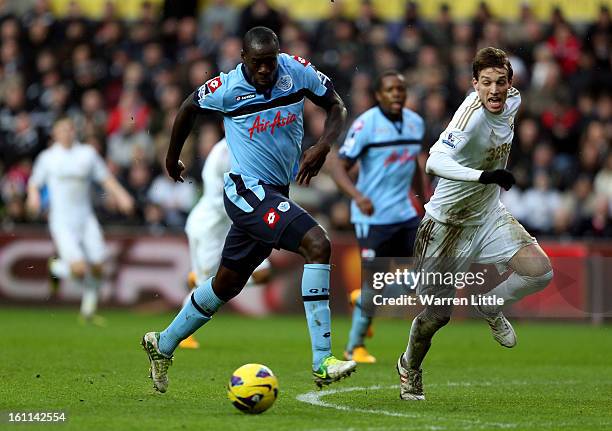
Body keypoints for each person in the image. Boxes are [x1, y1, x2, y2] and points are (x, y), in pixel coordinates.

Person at [141, 26, 356, 393]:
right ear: (243, 59)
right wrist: (172, 157)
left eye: (269, 62)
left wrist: (323, 146)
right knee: (317, 244)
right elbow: (188, 106)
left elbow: (336, 105)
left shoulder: (296, 71)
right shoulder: (226, 88)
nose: (264, 70)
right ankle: (323, 360)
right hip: (245, 190)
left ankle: (162, 344)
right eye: (256, 63)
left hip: (274, 191)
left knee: (227, 283)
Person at [397, 47, 554, 400]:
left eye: (500, 82)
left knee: (540, 271)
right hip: (446, 226)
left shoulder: (513, 101)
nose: (494, 90)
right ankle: (409, 367)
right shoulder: (468, 118)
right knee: (437, 315)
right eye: (485, 83)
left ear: (510, 83)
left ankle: (491, 303)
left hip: (487, 216)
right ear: (474, 84)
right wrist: (483, 176)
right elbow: (433, 162)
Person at [334, 70, 427, 364]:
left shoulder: (415, 123)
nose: (397, 94)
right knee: (374, 286)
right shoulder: (366, 125)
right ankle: (354, 347)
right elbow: (338, 166)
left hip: (404, 213)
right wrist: (357, 196)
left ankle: (364, 298)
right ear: (378, 95)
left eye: (401, 89)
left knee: (424, 274)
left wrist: (422, 200)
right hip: (372, 217)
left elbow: (412, 163)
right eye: (390, 90)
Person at [26, 117, 134, 324]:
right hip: (62, 220)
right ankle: (56, 268)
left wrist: (122, 196)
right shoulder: (48, 158)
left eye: (69, 129)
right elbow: (34, 183)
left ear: (74, 131)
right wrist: (33, 197)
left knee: (99, 266)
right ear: (55, 134)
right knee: (79, 268)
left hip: (85, 218)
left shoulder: (87, 154)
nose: (67, 133)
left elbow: (106, 179)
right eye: (62, 130)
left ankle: (88, 310)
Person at [179, 137, 271, 349]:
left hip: (231, 227)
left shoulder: (245, 146)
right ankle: (182, 334)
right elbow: (220, 199)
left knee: (263, 275)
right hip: (209, 228)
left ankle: (212, 280)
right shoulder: (223, 153)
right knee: (204, 288)